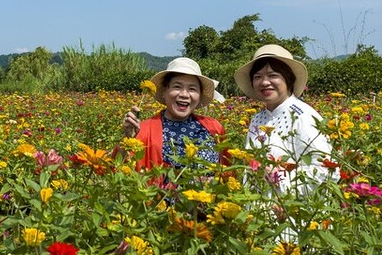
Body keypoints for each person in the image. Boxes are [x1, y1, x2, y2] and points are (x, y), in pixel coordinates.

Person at [234, 44, 333, 197]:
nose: (265, 82)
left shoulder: (303, 116)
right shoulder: (257, 119)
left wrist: (279, 179)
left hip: (295, 212)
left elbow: (325, 170)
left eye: (273, 75)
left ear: (289, 79)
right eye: (258, 77)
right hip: (258, 210)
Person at [117, 57, 226, 172]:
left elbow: (227, 171)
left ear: (199, 96)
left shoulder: (215, 128)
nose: (184, 94)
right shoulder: (142, 130)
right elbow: (118, 168)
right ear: (165, 91)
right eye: (177, 87)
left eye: (192, 89)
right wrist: (127, 138)